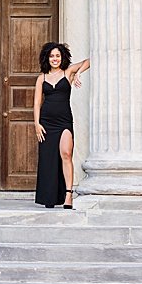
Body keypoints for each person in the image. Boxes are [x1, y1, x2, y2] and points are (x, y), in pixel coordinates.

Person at [33, 42, 90, 209]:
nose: (55, 59)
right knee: (48, 159)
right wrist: (37, 124)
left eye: (57, 55)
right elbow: (37, 103)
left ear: (62, 57)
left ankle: (68, 195)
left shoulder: (68, 72)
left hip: (64, 121)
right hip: (46, 123)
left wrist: (78, 73)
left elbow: (90, 60)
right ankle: (49, 197)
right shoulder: (41, 78)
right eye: (52, 56)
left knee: (66, 153)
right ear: (47, 58)